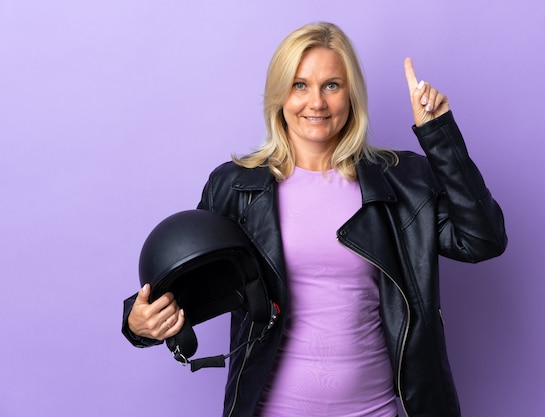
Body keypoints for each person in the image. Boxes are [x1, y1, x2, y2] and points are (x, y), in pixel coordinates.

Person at [122, 22, 507, 417]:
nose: (316, 103)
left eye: (332, 85)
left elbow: (483, 240)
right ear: (279, 95)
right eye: (300, 85)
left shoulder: (402, 181)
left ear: (351, 94)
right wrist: (139, 322)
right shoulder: (235, 187)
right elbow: (188, 287)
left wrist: (438, 132)